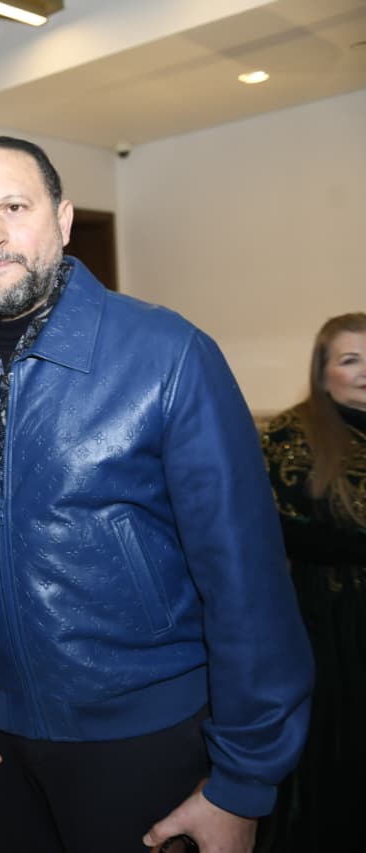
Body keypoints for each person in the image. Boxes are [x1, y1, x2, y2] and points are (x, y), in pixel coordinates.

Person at [0, 136, 313, 853]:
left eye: (13, 207)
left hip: (149, 739)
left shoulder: (169, 355)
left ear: (63, 220)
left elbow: (246, 582)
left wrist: (242, 781)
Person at [257, 312, 366, 853]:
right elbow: (280, 531)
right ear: (322, 372)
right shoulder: (291, 434)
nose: (365, 372)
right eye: (350, 360)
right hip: (331, 622)